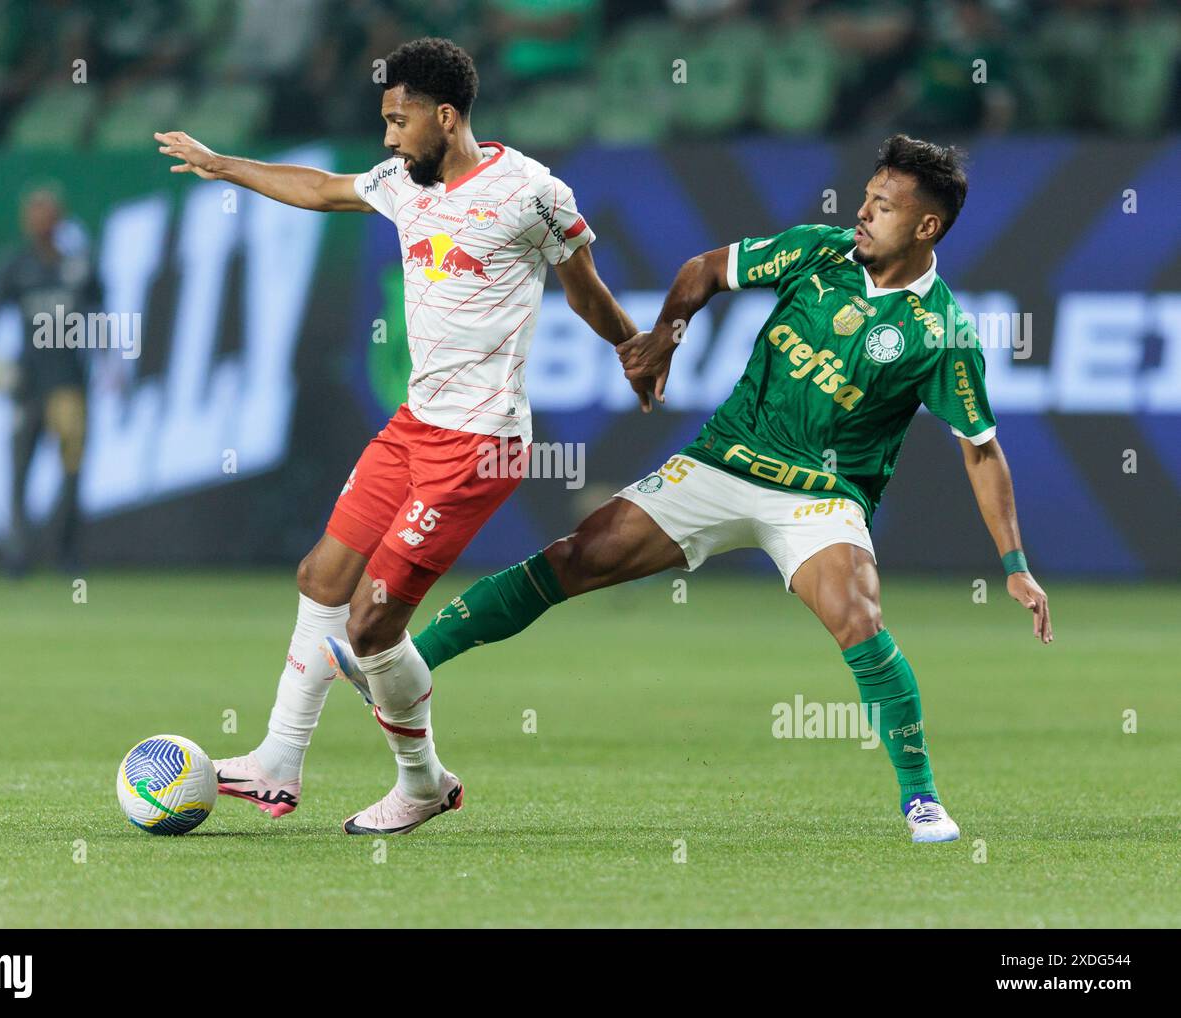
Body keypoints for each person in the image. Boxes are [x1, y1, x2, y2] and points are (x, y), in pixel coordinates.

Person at [329, 134, 1054, 843]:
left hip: (820, 498)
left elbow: (981, 452)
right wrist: (667, 335)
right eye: (866, 197)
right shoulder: (819, 251)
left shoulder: (940, 331)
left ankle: (921, 799)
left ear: (927, 226)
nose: (863, 212)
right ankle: (400, 662)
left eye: (884, 206)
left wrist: (1015, 568)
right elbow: (705, 268)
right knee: (574, 557)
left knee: (858, 616)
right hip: (723, 462)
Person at [155, 37, 652, 834]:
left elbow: (584, 288)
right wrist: (225, 166)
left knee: (372, 625)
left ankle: (423, 783)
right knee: (322, 576)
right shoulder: (401, 183)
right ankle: (280, 758)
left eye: (398, 121)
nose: (387, 138)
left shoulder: (532, 192)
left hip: (480, 442)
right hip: (414, 424)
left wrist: (632, 346)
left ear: (444, 116)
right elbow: (320, 187)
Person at [0, 186, 99, 576]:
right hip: (28, 384)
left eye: (46, 215)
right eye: (34, 214)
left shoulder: (78, 265)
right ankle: (17, 556)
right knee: (20, 469)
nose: (39, 222)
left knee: (72, 470)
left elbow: (100, 312)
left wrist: (111, 362)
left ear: (58, 219)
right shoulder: (17, 265)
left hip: (68, 382)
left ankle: (66, 554)